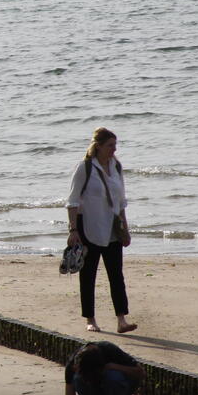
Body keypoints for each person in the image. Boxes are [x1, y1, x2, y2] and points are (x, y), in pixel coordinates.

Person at [66, 127, 136, 334]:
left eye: (115, 145)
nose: (114, 149)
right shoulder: (85, 168)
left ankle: (122, 320)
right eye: (110, 145)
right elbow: (72, 201)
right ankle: (90, 319)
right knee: (88, 276)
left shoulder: (117, 167)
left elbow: (121, 201)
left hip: (113, 229)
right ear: (98, 146)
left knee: (116, 275)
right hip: (89, 228)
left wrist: (125, 228)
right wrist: (73, 230)